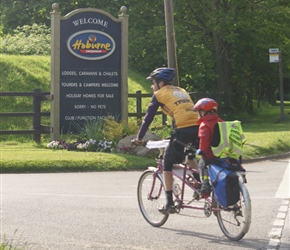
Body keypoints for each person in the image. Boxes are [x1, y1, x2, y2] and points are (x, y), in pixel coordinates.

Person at [132, 67, 199, 214]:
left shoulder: (159, 94)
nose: (152, 86)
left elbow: (148, 117)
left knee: (167, 164)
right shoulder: (181, 90)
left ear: (161, 84)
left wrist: (139, 138)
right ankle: (199, 184)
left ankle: (169, 203)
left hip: (183, 129)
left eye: (153, 83)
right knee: (190, 155)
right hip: (198, 127)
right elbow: (181, 111)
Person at [192, 98, 224, 194]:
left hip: (211, 156)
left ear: (204, 112)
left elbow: (204, 146)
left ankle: (205, 184)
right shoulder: (221, 122)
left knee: (202, 165)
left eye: (199, 112)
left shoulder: (204, 125)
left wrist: (200, 151)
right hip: (223, 154)